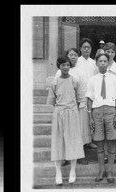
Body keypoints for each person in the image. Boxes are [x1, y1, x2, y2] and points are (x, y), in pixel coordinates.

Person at [46, 55, 85, 184]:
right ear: (59, 66)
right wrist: (56, 114)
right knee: (58, 143)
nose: (66, 67)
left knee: (72, 142)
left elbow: (80, 99)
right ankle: (58, 173)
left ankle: (72, 171)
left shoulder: (75, 80)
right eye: (63, 65)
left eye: (68, 65)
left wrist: (75, 113)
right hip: (59, 114)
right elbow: (51, 101)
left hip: (72, 114)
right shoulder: (55, 82)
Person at [86, 53, 116, 183]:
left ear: (108, 63)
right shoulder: (92, 80)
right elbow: (89, 99)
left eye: (105, 61)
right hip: (97, 112)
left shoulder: (114, 79)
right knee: (100, 144)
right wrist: (90, 117)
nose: (102, 63)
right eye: (100, 61)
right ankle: (101, 170)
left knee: (112, 143)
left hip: (111, 111)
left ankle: (110, 171)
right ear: (96, 63)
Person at [75, 38, 100, 154]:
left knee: (90, 118)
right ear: (80, 49)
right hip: (79, 95)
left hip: (91, 94)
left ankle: (89, 141)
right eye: (84, 47)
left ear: (91, 49)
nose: (86, 49)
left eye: (88, 47)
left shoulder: (94, 63)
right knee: (81, 120)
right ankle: (81, 143)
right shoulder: (76, 61)